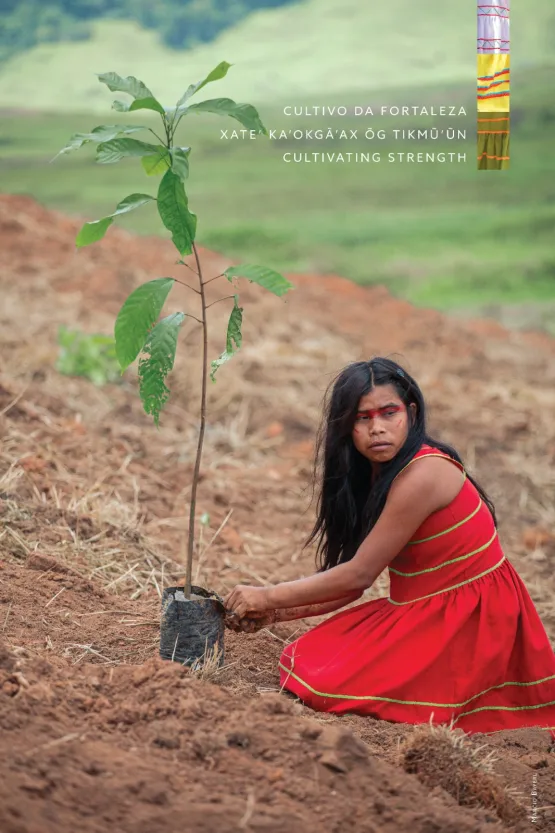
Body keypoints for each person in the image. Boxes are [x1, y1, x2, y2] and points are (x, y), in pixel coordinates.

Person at [224, 357, 555, 738]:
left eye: (388, 412)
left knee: (321, 679)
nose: (377, 428)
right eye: (362, 418)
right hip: (429, 607)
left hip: (473, 621)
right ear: (346, 426)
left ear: (411, 412)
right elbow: (353, 581)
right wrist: (276, 613)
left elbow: (359, 574)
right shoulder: (380, 473)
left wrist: (266, 596)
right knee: (312, 660)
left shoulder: (423, 474)